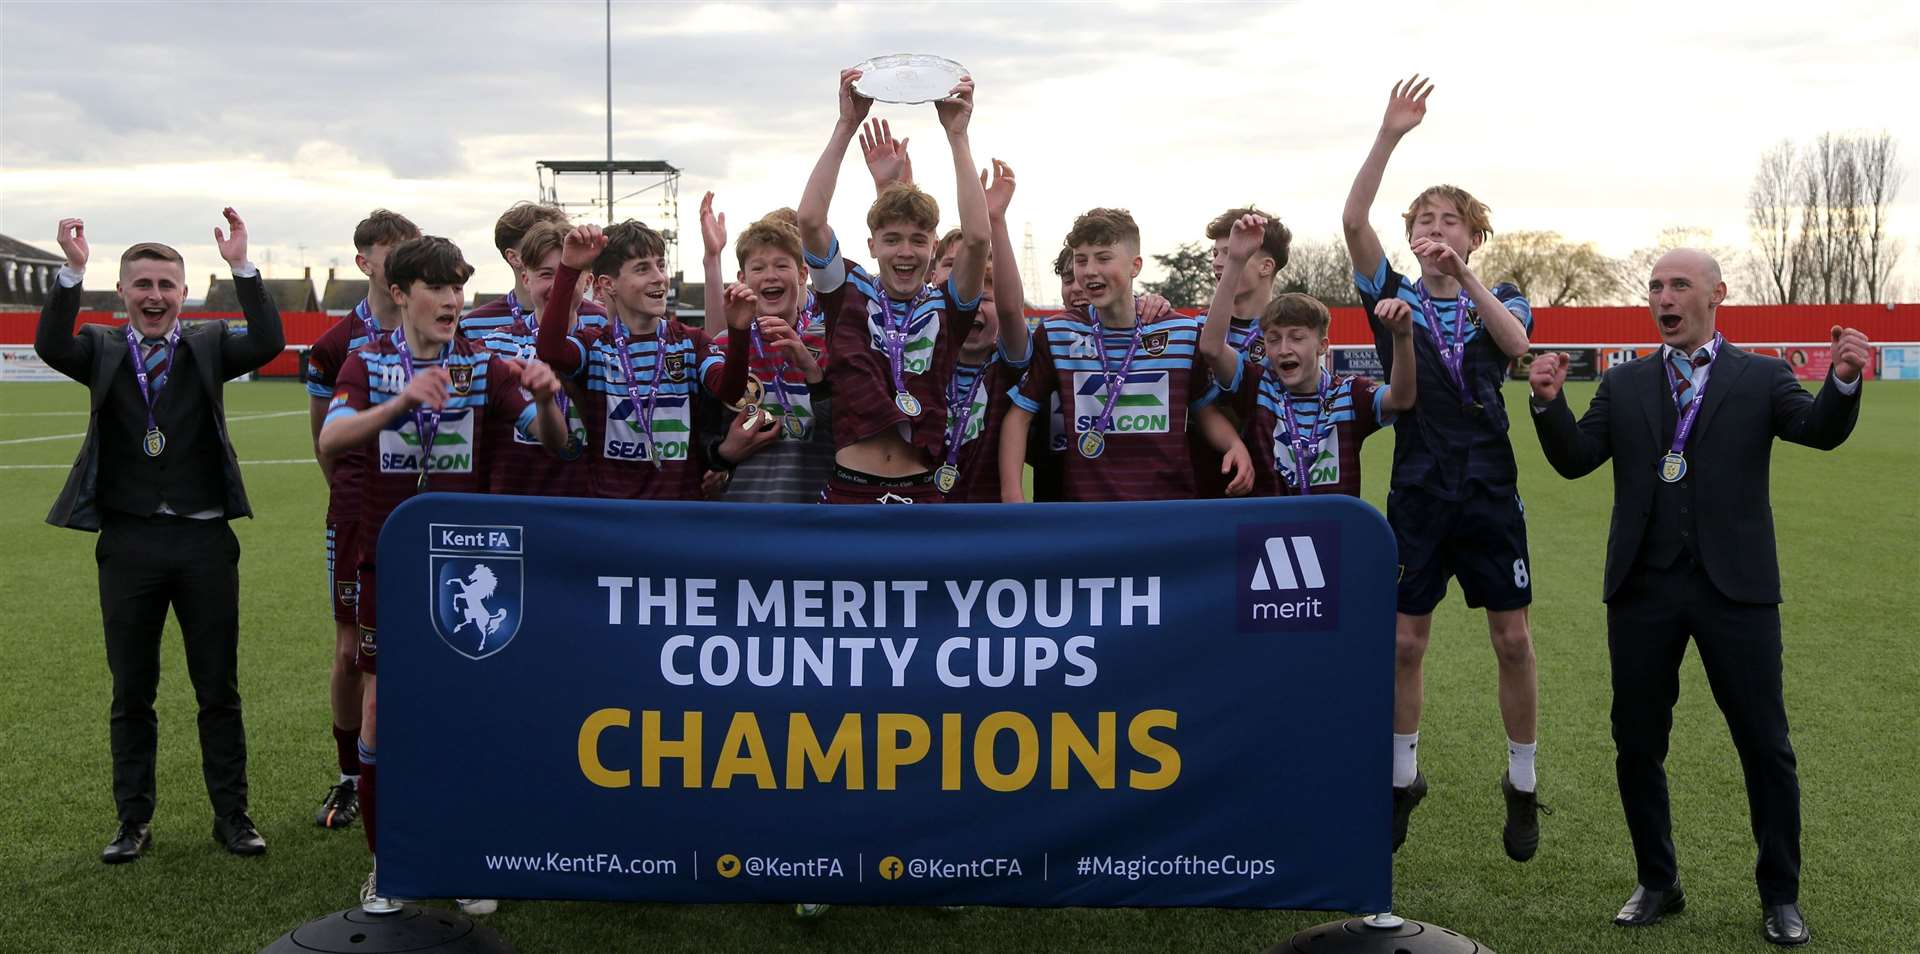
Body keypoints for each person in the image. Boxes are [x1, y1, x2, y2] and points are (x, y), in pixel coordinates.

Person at [1529, 248, 1867, 946]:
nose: (1663, 297)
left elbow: (1818, 431)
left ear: (1717, 294)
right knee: (1637, 743)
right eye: (1654, 286)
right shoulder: (1624, 388)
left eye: (1678, 285)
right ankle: (1658, 881)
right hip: (1642, 589)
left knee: (1765, 746)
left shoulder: (1762, 377)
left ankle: (1781, 895)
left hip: (1736, 590)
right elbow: (1575, 461)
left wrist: (1840, 382)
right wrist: (1547, 403)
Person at [318, 235, 571, 914]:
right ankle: (389, 864)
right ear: (401, 294)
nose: (453, 300)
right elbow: (331, 438)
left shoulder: (481, 365)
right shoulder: (367, 361)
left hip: (467, 564)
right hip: (388, 561)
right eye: (437, 287)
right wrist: (398, 404)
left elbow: (557, 442)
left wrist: (546, 398)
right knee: (381, 710)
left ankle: (460, 856)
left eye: (459, 287)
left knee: (465, 710)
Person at [35, 210, 284, 863]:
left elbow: (267, 341)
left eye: (166, 285)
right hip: (129, 545)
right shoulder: (100, 349)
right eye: (142, 284)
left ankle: (232, 816)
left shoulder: (208, 344)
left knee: (217, 689)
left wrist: (242, 268)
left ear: (184, 294)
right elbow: (50, 346)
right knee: (131, 691)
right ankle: (132, 823)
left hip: (204, 544)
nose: (154, 296)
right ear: (122, 293)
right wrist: (71, 271)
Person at [1342, 75, 1541, 859]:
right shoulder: (1388, 294)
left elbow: (1519, 348)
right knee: (1404, 643)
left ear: (1473, 235)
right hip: (1419, 486)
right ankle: (1402, 780)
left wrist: (1465, 278)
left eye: (1449, 220)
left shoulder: (1503, 292)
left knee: (1513, 640)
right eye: (1423, 219)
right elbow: (1353, 218)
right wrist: (1390, 135)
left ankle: (1522, 784)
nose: (1434, 227)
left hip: (1490, 485)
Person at [795, 67, 998, 504]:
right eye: (892, 239)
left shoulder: (948, 305)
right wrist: (846, 126)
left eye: (918, 239)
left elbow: (979, 238)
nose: (905, 251)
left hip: (922, 490)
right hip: (851, 488)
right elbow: (809, 220)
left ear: (933, 246)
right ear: (872, 245)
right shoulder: (846, 290)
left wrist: (957, 136)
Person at [997, 208, 1252, 502]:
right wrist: (1013, 496)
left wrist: (1234, 444)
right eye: (1082, 260)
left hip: (1167, 512)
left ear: (1135, 265)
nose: (1089, 270)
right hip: (1087, 514)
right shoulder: (1058, 333)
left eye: (1103, 258)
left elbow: (1204, 411)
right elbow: (1018, 416)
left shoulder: (1181, 332)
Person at [304, 208, 419, 831]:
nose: (398, 259)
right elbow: (325, 442)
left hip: (425, 513)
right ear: (365, 262)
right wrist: (354, 501)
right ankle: (351, 776)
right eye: (388, 251)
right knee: (352, 652)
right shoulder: (334, 345)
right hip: (357, 517)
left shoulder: (444, 334)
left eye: (409, 249)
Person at [534, 220, 752, 499]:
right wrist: (569, 267)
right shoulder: (595, 344)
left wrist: (740, 330)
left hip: (679, 510)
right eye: (642, 268)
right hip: (609, 513)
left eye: (660, 265)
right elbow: (550, 351)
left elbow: (729, 390)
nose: (659, 277)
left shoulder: (692, 342)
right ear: (608, 285)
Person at [1201, 214, 1414, 497]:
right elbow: (1211, 349)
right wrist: (1236, 262)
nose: (1284, 348)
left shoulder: (1349, 394)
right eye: (1273, 340)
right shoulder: (1258, 384)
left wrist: (1402, 336)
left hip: (1329, 529)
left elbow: (1402, 398)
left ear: (1323, 345)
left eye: (1297, 338)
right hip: (1224, 491)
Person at [697, 200, 832, 502]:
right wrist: (721, 454)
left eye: (782, 265)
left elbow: (848, 429)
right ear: (742, 279)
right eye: (758, 268)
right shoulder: (722, 345)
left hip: (816, 516)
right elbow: (702, 435)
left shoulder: (828, 344)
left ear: (802, 274)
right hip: (743, 519)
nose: (770, 275)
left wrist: (811, 370)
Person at [1192, 206, 1291, 498]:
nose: (1219, 262)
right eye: (1216, 253)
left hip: (1271, 479)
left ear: (1266, 266)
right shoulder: (1195, 328)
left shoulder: (1292, 334)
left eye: (1232, 252)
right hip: (1202, 479)